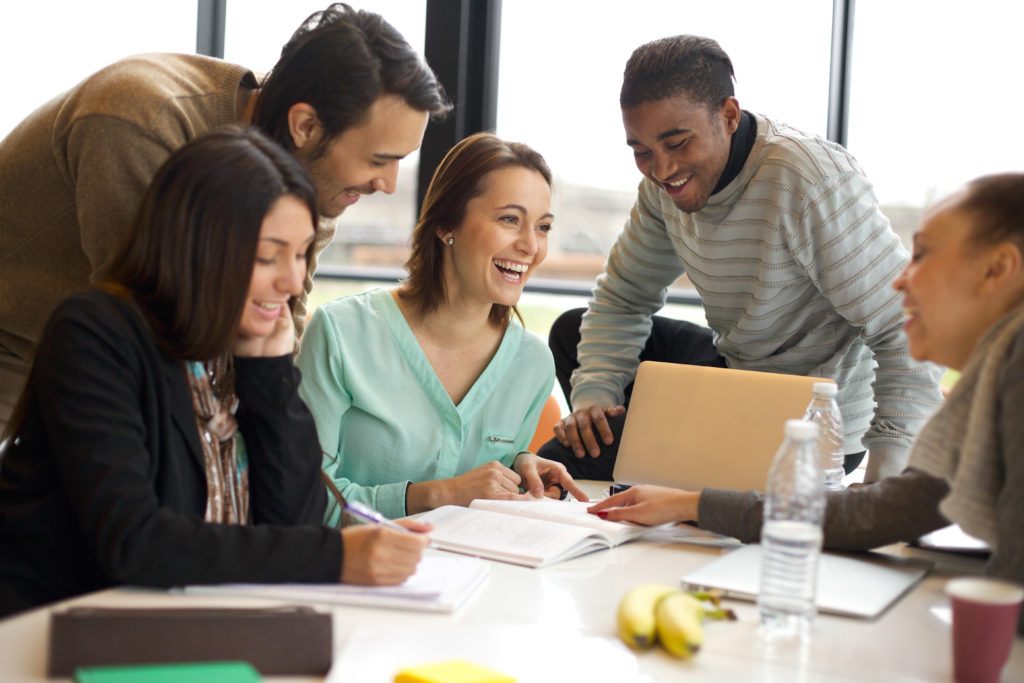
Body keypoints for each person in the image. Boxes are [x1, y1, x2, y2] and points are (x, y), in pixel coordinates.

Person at [0, 127, 430, 619]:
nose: (292, 281)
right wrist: (336, 556)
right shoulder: (97, 333)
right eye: (269, 256)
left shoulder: (237, 345)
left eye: (300, 254)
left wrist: (268, 377)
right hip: (51, 629)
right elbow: (133, 541)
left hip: (184, 621)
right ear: (198, 247)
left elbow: (293, 521)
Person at [588, 173, 1024, 630]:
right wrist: (691, 503)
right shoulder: (994, 380)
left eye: (922, 255)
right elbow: (885, 512)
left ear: (997, 269)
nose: (900, 282)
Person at [0, 3, 450, 431]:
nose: (388, 184)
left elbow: (276, 345)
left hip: (64, 345)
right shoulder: (142, 121)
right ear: (305, 126)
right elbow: (155, 331)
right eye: (378, 160)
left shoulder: (309, 174)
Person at [541, 35, 943, 483]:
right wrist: (593, 399)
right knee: (572, 332)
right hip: (737, 374)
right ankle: (656, 451)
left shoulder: (809, 180)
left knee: (559, 461)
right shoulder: (662, 190)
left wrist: (884, 479)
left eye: (678, 143)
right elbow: (622, 298)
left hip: (809, 419)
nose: (661, 170)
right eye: (642, 152)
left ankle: (672, 462)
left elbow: (906, 327)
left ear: (728, 116)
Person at [296, 132, 587, 524]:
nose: (530, 246)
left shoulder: (531, 363)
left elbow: (481, 496)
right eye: (510, 220)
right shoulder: (341, 334)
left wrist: (519, 472)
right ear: (446, 223)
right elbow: (302, 500)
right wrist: (438, 495)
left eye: (544, 227)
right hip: (345, 574)